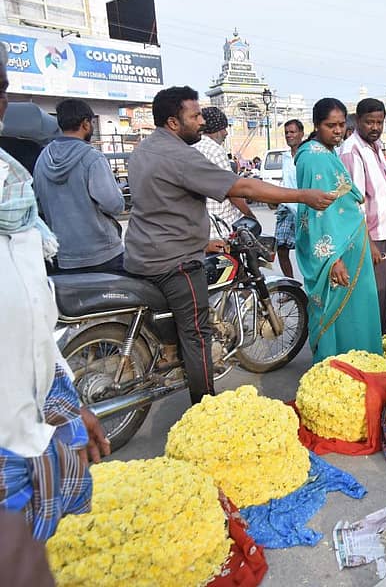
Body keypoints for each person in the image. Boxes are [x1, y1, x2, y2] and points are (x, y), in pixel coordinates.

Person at [124, 86, 337, 405]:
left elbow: (161, 206)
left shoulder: (145, 148)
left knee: (176, 328)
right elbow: (242, 186)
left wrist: (204, 242)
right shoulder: (181, 156)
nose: (201, 122)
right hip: (174, 262)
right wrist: (302, 195)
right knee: (197, 334)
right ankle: (205, 408)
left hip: (142, 252)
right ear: (172, 122)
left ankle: (169, 359)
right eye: (194, 116)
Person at [0, 49, 110, 540]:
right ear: (86, 125)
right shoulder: (88, 157)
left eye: (1, 88)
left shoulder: (23, 175)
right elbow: (111, 200)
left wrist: (65, 401)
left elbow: (33, 325)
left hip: (62, 260)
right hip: (103, 252)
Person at [294, 98, 382, 361]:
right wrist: (333, 259)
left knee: (359, 310)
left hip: (352, 243)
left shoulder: (327, 152)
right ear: (317, 125)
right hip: (336, 252)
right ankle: (338, 367)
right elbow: (316, 211)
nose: (337, 131)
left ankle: (360, 364)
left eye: (342, 125)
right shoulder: (312, 158)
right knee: (340, 314)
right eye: (330, 125)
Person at [31, 98, 125, 273]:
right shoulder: (92, 158)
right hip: (104, 255)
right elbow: (113, 205)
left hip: (63, 256)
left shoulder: (43, 158)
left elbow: (38, 206)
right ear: (86, 123)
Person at [339, 99, 386, 334]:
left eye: (380, 122)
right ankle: (370, 343)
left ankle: (379, 338)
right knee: (372, 295)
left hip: (382, 233)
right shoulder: (352, 150)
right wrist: (369, 244)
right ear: (357, 121)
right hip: (369, 237)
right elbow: (355, 203)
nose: (375, 127)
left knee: (382, 294)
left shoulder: (375, 146)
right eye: (369, 122)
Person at [193, 106, 254, 240]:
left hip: (198, 231)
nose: (226, 133)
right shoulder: (214, 150)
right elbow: (233, 192)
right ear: (216, 130)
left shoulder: (190, 147)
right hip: (220, 229)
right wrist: (250, 216)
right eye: (224, 128)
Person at [275, 119, 305, 278]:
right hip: (286, 207)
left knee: (308, 249)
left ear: (301, 134)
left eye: (292, 132)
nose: (289, 135)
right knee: (281, 247)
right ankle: (290, 284)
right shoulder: (285, 156)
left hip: (304, 206)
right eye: (286, 132)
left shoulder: (306, 155)